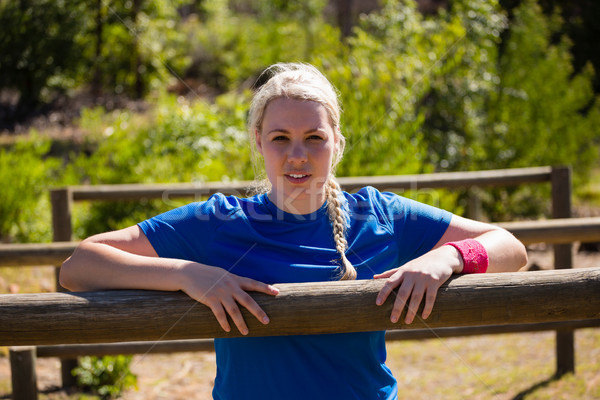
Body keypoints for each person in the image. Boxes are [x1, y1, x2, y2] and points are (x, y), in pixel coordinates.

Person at [60, 63, 528, 400]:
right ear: (258, 144)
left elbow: (511, 247)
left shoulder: (380, 215)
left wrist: (447, 258)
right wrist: (188, 274)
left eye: (314, 138)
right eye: (280, 138)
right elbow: (79, 266)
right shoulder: (220, 221)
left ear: (337, 143)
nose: (297, 155)